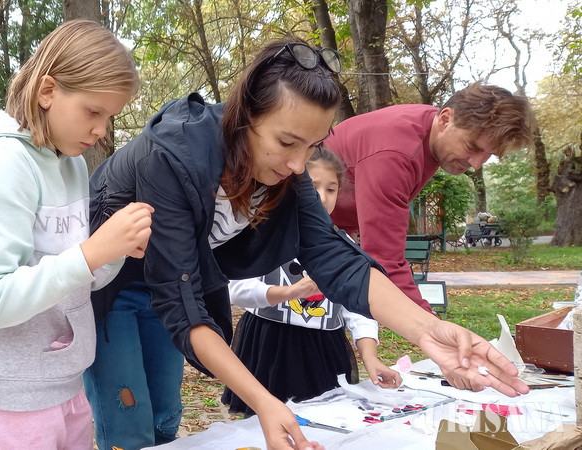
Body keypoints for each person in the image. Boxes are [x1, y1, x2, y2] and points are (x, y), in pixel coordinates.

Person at [85, 39, 529, 450]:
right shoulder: (171, 156)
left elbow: (335, 256)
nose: (299, 166)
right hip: (114, 286)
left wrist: (430, 332)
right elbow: (182, 300)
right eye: (287, 142)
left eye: (313, 145)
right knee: (128, 420)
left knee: (164, 415)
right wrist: (263, 401)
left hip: (174, 286)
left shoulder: (288, 167)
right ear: (245, 115)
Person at [0, 20, 153, 449]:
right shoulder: (2, 164)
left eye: (109, 117)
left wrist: (113, 252)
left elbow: (74, 277)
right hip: (8, 392)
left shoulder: (70, 161)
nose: (101, 130)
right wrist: (90, 252)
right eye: (93, 112)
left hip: (61, 379)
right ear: (47, 91)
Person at [221, 147, 401, 417]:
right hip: (270, 345)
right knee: (266, 422)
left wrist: (370, 357)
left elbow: (358, 308)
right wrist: (290, 292)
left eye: (331, 189)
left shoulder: (343, 247)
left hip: (324, 350)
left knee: (326, 421)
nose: (322, 197)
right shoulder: (262, 236)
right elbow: (237, 290)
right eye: (314, 186)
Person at [324, 83, 534, 312]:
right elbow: (385, 261)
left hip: (332, 233)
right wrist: (430, 322)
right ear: (445, 119)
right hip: (300, 226)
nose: (476, 164)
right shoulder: (396, 153)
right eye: (471, 147)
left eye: (488, 155)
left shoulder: (431, 132)